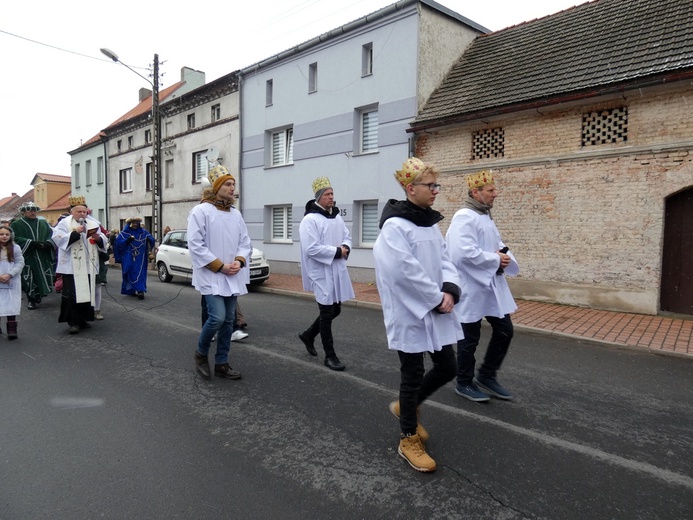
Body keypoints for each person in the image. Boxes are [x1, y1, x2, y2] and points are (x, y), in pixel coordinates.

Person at [373, 157, 463, 473]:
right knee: (411, 374)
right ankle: (408, 438)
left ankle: (404, 407)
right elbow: (402, 271)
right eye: (431, 185)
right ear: (411, 189)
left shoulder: (428, 223)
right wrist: (435, 297)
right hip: (410, 311)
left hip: (436, 305)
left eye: (436, 185)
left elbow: (445, 260)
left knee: (448, 365)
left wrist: (451, 289)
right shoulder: (395, 226)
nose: (436, 190)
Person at [446, 169, 520, 402]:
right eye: (491, 190)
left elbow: (497, 244)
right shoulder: (464, 216)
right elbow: (461, 254)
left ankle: (487, 375)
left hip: (490, 285)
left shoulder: (484, 216)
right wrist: (495, 259)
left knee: (505, 330)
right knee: (469, 338)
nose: (495, 194)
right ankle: (464, 382)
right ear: (476, 192)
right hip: (471, 287)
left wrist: (505, 258)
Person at [187, 165, 252, 381]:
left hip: (231, 275)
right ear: (216, 187)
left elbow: (245, 242)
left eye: (233, 184)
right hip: (212, 274)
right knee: (217, 317)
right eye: (228, 184)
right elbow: (196, 245)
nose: (233, 188)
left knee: (229, 320)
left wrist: (239, 261)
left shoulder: (235, 214)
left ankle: (222, 362)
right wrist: (220, 266)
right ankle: (201, 353)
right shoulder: (201, 211)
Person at [298, 176, 355, 371]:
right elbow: (311, 249)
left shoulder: (336, 216)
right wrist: (338, 252)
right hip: (321, 271)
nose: (331, 197)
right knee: (327, 311)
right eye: (327, 194)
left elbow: (347, 235)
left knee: (335, 309)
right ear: (319, 197)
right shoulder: (310, 220)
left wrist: (346, 246)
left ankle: (307, 335)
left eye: (332, 193)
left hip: (336, 270)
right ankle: (330, 356)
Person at [51, 197, 108, 334]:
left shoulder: (93, 223)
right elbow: (58, 239)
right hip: (71, 266)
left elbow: (104, 239)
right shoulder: (64, 224)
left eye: (84, 211)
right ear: (72, 212)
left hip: (88, 264)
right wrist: (75, 233)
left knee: (87, 293)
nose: (83, 214)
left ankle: (84, 319)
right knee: (73, 295)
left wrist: (98, 239)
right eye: (79, 212)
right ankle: (74, 322)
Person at [10, 201, 55, 310]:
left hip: (42, 255)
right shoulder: (16, 224)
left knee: (43, 275)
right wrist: (31, 243)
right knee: (29, 278)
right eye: (29, 210)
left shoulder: (43, 223)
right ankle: (31, 299)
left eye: (34, 210)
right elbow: (14, 238)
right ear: (24, 212)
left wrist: (48, 243)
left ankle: (38, 295)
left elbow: (52, 234)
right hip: (27, 255)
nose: (32, 212)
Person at [114, 218, 155, 300]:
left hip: (140, 257)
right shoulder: (124, 233)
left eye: (137, 223)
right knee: (128, 271)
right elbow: (118, 243)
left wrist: (149, 241)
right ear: (130, 223)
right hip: (128, 256)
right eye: (133, 223)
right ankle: (131, 290)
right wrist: (127, 240)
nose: (135, 224)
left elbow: (152, 239)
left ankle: (140, 290)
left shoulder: (143, 232)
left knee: (140, 273)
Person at [0, 225, 24, 340]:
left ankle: (12, 329)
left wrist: (9, 274)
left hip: (11, 279)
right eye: (1, 234)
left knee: (11, 303)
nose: (4, 236)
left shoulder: (15, 248)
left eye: (7, 234)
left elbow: (20, 263)